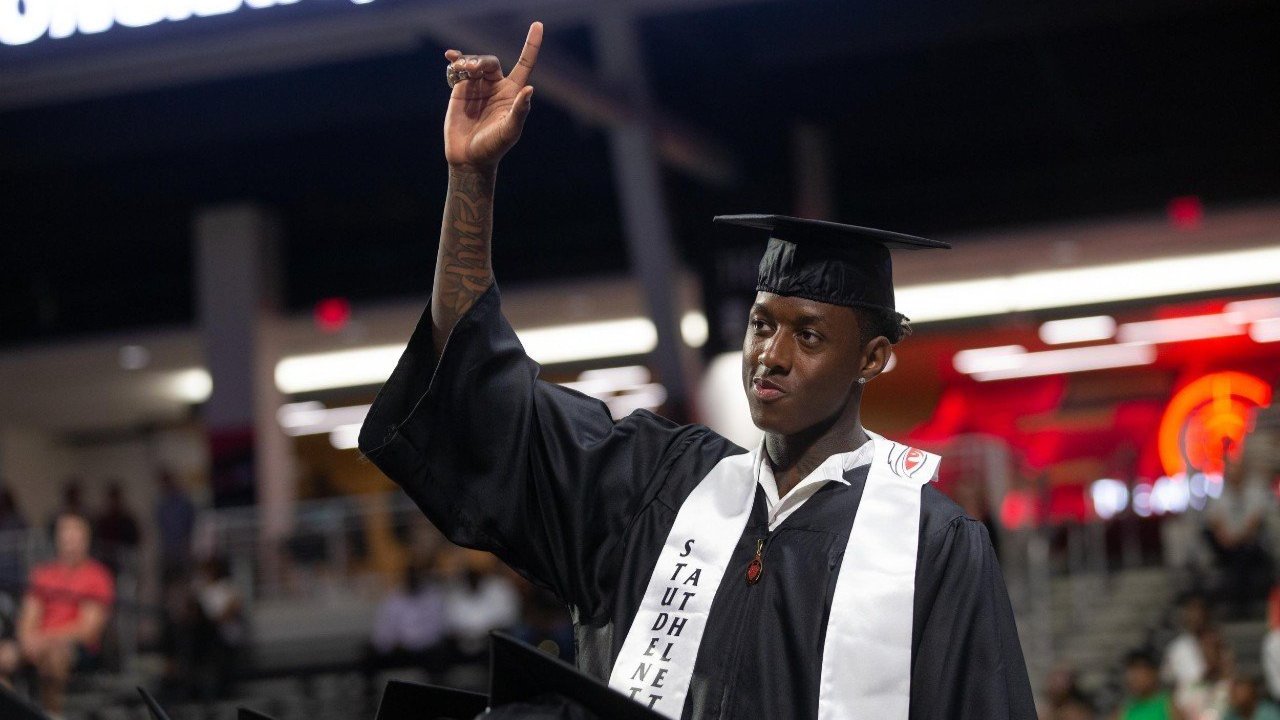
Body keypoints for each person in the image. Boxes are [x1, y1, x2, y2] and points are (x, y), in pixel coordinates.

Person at [358, 21, 1034, 719]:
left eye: (809, 335)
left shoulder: (932, 541)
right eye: (763, 323)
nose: (771, 354)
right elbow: (484, 395)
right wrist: (472, 180)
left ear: (871, 359)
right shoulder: (657, 483)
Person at [17, 512, 115, 716]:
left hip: (76, 649)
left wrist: (43, 640)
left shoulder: (97, 576)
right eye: (65, 532)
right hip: (38, 643)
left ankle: (52, 714)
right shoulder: (42, 574)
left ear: (86, 538)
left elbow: (87, 630)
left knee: (54, 658)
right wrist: (28, 640)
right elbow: (29, 615)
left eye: (75, 533)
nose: (69, 538)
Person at [1163, 594, 1212, 692]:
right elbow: (1168, 679)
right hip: (1185, 700)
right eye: (1191, 611)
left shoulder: (1217, 643)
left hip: (1212, 698)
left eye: (1199, 610)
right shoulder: (1176, 647)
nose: (1196, 616)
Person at [1115, 650, 1182, 720]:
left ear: (1154, 673)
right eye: (1131, 672)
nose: (1134, 677)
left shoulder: (1169, 704)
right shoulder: (1125, 710)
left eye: (1139, 671)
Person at [94, 482, 141, 575]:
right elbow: (97, 540)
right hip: (106, 559)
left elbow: (136, 540)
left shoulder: (127, 519)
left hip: (124, 560)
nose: (113, 502)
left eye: (115, 498)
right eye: (111, 498)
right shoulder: (102, 519)